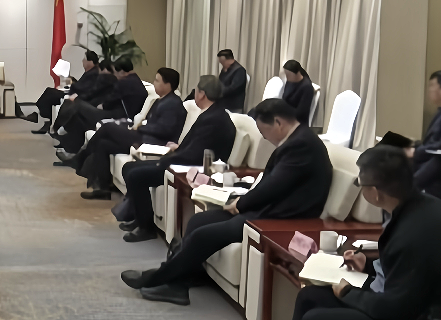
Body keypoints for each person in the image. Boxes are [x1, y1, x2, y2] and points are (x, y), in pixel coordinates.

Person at [122, 99, 332, 306]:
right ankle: (180, 280)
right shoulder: (298, 140)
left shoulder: (302, 145)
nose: (264, 138)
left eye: (264, 131)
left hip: (280, 218)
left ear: (278, 123)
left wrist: (241, 204)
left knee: (203, 235)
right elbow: (274, 184)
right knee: (198, 221)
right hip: (268, 208)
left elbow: (274, 186)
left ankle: (159, 279)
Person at [282, 145, 441, 320]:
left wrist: (349, 293)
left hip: (414, 319)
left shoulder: (413, 233)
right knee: (308, 296)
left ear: (375, 193)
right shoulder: (418, 206)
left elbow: (397, 307)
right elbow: (401, 274)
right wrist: (367, 265)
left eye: (361, 184)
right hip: (396, 297)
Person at [117, 75, 237, 242]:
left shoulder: (214, 119)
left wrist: (167, 159)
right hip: (185, 160)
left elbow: (195, 155)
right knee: (129, 167)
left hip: (191, 168)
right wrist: (177, 149)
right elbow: (196, 145)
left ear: (202, 94)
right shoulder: (212, 113)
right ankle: (138, 217)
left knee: (136, 175)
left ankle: (146, 227)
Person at [72, 68, 185, 197]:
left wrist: (141, 128)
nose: (154, 83)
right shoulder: (163, 100)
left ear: (168, 85)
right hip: (144, 136)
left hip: (151, 141)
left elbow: (164, 130)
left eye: (157, 80)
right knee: (103, 144)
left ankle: (81, 157)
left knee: (108, 128)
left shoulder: (172, 104)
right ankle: (103, 188)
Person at [53, 59, 149, 155]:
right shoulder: (135, 79)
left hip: (119, 117)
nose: (115, 75)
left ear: (122, 71)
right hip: (122, 114)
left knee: (78, 104)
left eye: (115, 72)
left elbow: (110, 100)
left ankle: (59, 129)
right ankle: (70, 147)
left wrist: (102, 105)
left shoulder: (125, 82)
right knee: (79, 117)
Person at [410, 69, 441, 199]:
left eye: (432, 85)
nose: (429, 90)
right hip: (436, 161)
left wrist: (416, 151)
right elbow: (435, 142)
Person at [33, 50, 101, 134]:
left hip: (76, 96)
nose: (82, 61)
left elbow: (84, 88)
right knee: (49, 92)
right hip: (74, 93)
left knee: (50, 94)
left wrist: (72, 87)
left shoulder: (93, 73)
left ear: (90, 62)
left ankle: (44, 119)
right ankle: (43, 117)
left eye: (84, 59)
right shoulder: (91, 71)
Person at [281, 60, 314, 125]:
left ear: (297, 73)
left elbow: (301, 112)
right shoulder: (290, 81)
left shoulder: (307, 87)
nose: (287, 77)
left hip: (297, 121)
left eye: (288, 75)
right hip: (286, 116)